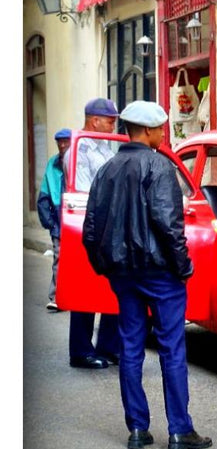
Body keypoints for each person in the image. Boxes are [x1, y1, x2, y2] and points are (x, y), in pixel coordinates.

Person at [82, 100, 212, 449]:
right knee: (172, 348)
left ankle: (138, 429)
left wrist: (105, 267)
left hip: (124, 273)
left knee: (130, 347)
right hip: (160, 273)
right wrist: (183, 266)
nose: (162, 133)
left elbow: (90, 230)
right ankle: (180, 430)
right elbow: (168, 223)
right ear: (149, 131)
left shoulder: (107, 170)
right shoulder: (158, 165)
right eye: (160, 128)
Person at [67, 98, 122, 369]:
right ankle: (80, 349)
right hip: (88, 221)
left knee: (112, 286)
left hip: (110, 222)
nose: (113, 124)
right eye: (109, 119)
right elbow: (86, 191)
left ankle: (109, 345)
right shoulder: (78, 151)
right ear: (93, 120)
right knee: (86, 286)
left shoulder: (105, 149)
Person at [37, 129, 72, 312]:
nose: (62, 145)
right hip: (59, 221)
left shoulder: (78, 162)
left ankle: (74, 295)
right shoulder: (52, 164)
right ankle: (56, 297)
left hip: (77, 219)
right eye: (59, 142)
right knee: (59, 259)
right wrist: (50, 223)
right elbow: (43, 197)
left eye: (66, 141)